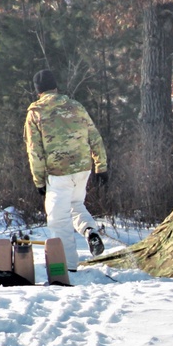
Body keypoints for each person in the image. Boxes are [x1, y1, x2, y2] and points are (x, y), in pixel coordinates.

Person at [24, 69, 109, 271]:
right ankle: (90, 232)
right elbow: (95, 137)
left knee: (57, 220)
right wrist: (101, 167)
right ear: (56, 86)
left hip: (58, 173)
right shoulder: (76, 106)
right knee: (75, 205)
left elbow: (34, 151)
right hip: (82, 169)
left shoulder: (35, 113)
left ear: (38, 91)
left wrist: (39, 182)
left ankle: (67, 268)